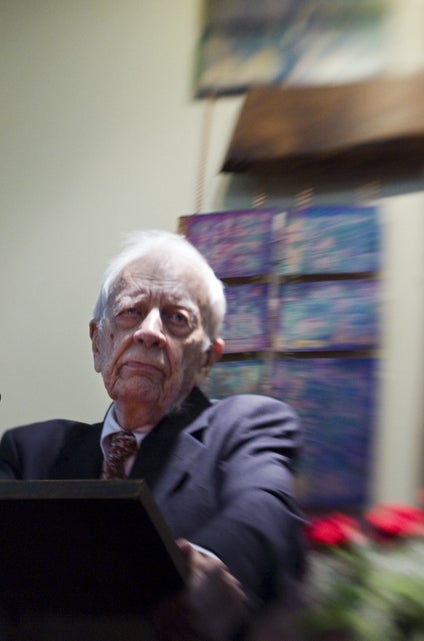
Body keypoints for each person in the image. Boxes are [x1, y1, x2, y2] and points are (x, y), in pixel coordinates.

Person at [0, 230, 306, 641]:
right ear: (98, 343)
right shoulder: (28, 452)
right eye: (130, 312)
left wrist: (209, 568)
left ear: (206, 360)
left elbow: (263, 508)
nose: (149, 331)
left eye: (177, 319)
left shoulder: (249, 426)